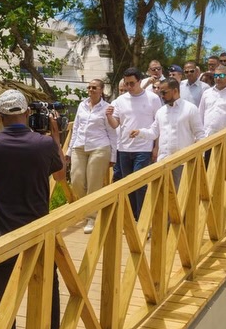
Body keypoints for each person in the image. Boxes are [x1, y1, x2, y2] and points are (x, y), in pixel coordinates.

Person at [0, 89, 66, 329]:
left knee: (5, 299)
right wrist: (55, 135)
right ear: (27, 113)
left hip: (1, 234)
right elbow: (61, 176)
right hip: (38, 232)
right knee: (48, 296)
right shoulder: (43, 144)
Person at [106, 68, 161, 220]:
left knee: (140, 185)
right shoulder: (120, 100)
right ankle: (130, 219)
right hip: (123, 148)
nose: (129, 87)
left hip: (144, 147)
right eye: (126, 84)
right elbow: (115, 124)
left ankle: (142, 220)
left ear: (139, 81)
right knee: (127, 185)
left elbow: (159, 124)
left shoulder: (153, 98)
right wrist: (109, 116)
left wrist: (156, 147)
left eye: (132, 84)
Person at [129, 78, 205, 188]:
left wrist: (199, 158)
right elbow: (154, 132)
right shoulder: (161, 111)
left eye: (164, 92)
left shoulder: (190, 109)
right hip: (163, 162)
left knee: (182, 199)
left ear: (175, 91)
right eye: (160, 93)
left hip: (183, 163)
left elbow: (200, 135)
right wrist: (139, 132)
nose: (162, 96)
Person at [67, 79, 117, 234]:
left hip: (99, 147)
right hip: (79, 146)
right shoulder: (82, 105)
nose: (91, 89)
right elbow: (76, 128)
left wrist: (113, 155)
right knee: (76, 180)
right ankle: (88, 209)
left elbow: (112, 133)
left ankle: (91, 217)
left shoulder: (107, 108)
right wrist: (69, 150)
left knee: (94, 183)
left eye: (94, 87)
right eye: (89, 87)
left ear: (101, 90)